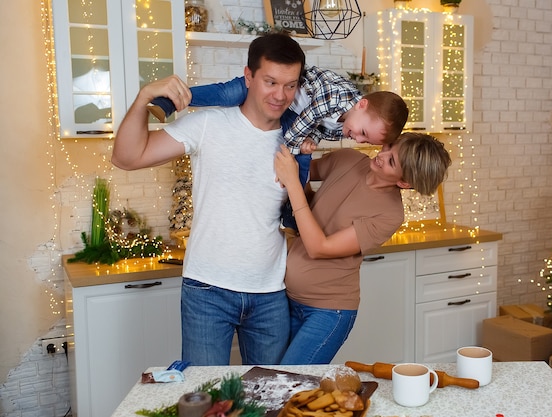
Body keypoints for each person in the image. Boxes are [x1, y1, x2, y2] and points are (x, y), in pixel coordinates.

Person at [111, 33, 306, 366]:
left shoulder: (296, 139)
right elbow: (127, 157)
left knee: (269, 402)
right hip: (207, 291)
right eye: (271, 82)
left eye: (290, 85)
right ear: (248, 77)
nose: (280, 95)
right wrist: (145, 96)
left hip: (271, 292)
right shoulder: (208, 124)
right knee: (204, 402)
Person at [148, 67, 409, 231]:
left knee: (303, 159)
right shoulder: (336, 97)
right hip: (281, 94)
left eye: (366, 141)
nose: (358, 139)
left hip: (289, 110)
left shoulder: (348, 123)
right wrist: (288, 156)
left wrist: (310, 144)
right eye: (362, 132)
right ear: (361, 105)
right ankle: (172, 100)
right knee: (229, 93)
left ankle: (291, 212)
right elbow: (301, 127)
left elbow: (313, 128)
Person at [273, 132, 452, 364]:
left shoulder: (389, 214)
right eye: (390, 147)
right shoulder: (348, 159)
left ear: (404, 182)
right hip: (284, 297)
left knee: (287, 383)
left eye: (391, 161)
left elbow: (319, 247)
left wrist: (294, 181)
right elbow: (299, 173)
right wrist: (303, 155)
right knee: (271, 382)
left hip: (328, 312)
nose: (382, 155)